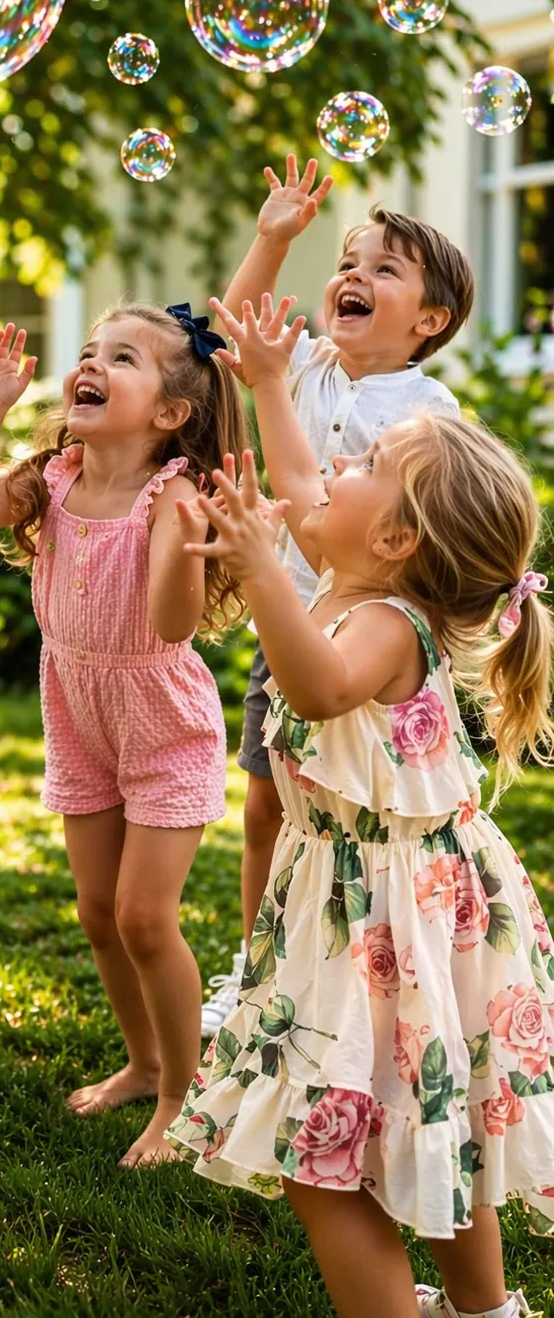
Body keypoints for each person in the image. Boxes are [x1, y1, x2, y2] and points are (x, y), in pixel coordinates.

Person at [166, 294, 554, 1318]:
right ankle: (485, 1311)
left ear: (392, 537)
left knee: (319, 1151)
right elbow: (297, 481)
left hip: (383, 908)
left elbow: (316, 690)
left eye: (366, 463)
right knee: (440, 1114)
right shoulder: (360, 569)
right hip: (381, 894)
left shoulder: (382, 619)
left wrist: (259, 574)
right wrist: (259, 384)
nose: (331, 468)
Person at [0, 301, 246, 1165]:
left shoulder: (169, 494)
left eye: (122, 358)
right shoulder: (55, 476)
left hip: (162, 722)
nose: (91, 365)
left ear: (171, 413)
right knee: (99, 914)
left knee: (145, 917)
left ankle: (184, 1096)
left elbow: (171, 625)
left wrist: (182, 542)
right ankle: (143, 1062)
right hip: (77, 710)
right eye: (90, 352)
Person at [201, 154, 473, 1040]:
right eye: (349, 260)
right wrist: (273, 236)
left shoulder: (427, 410)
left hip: (372, 642)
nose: (352, 274)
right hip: (289, 624)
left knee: (359, 819)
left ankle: (370, 970)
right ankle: (258, 965)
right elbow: (233, 331)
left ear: (429, 319)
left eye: (383, 267)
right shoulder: (303, 364)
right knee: (264, 805)